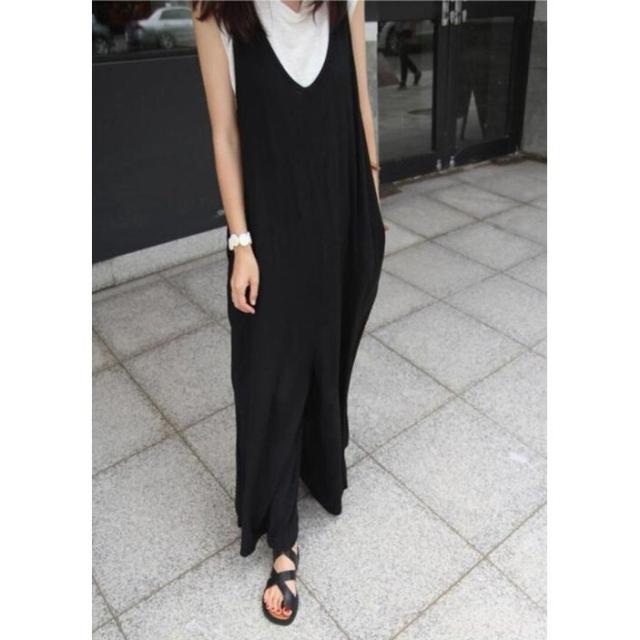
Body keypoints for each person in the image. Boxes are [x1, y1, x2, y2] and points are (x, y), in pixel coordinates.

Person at [192, 0, 385, 625]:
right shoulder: (216, 12)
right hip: (269, 225)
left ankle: (317, 460)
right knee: (269, 370)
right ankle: (282, 536)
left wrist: (371, 194)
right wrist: (240, 243)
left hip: (338, 207)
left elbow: (358, 103)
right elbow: (225, 133)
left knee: (326, 347)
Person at [395, 20, 421, 89]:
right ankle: (416, 72)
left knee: (403, 57)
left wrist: (413, 33)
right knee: (403, 57)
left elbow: (412, 19)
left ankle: (403, 82)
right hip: (399, 31)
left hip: (406, 31)